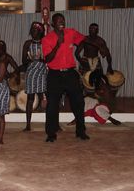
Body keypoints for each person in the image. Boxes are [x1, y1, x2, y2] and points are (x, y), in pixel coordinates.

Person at [42, 13, 90, 142]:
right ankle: (51, 134)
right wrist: (58, 44)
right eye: (58, 21)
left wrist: (77, 52)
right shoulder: (47, 39)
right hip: (55, 74)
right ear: (53, 24)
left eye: (63, 20)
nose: (62, 23)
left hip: (70, 73)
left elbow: (83, 39)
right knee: (52, 105)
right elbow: (47, 59)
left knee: (78, 102)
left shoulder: (71, 32)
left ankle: (81, 131)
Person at [21, 22, 47, 131]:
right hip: (31, 72)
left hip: (42, 71)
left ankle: (49, 123)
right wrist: (31, 59)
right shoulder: (27, 43)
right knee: (30, 98)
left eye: (35, 30)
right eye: (32, 30)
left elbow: (49, 58)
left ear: (40, 32)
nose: (32, 32)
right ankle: (28, 124)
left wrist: (41, 59)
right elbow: (23, 61)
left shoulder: (45, 43)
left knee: (44, 97)